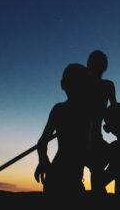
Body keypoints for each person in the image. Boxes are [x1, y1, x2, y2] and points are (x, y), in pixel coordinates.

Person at [34, 63, 91, 197]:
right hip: (66, 180)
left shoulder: (61, 110)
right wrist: (45, 164)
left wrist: (45, 164)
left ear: (63, 85)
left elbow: (42, 143)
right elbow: (42, 143)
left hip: (62, 177)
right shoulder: (82, 113)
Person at [86, 50, 116, 194]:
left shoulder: (108, 86)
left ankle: (99, 190)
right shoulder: (82, 84)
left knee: (98, 168)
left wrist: (112, 124)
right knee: (97, 168)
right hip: (81, 138)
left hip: (96, 137)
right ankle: (99, 191)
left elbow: (114, 110)